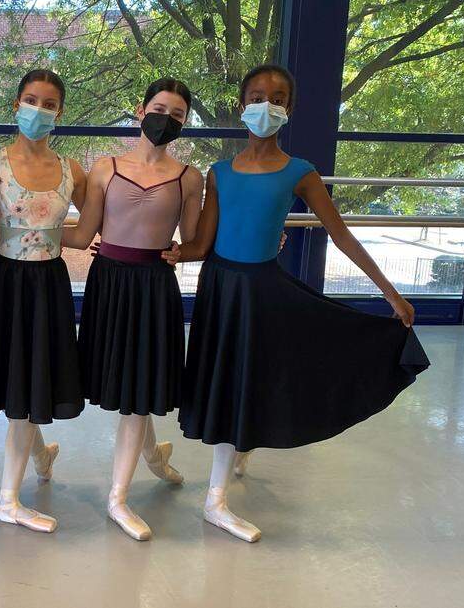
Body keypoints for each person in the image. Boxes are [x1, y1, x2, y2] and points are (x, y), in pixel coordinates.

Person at [175, 64, 430, 542]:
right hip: (221, 291)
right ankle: (219, 489)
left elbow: (341, 235)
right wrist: (161, 252)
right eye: (257, 96)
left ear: (288, 108)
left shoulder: (300, 172)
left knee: (255, 374)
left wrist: (390, 292)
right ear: (241, 105)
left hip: (262, 290)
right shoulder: (219, 173)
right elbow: (202, 244)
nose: (266, 105)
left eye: (277, 98)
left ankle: (217, 497)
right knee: (229, 380)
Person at [59, 78, 204, 541]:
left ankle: (118, 498)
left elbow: (194, 242)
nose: (166, 119)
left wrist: (187, 252)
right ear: (141, 110)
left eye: (177, 114)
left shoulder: (189, 178)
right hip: (108, 283)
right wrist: (16, 229)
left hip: (153, 287)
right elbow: (83, 235)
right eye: (160, 108)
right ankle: (155, 456)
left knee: (139, 388)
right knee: (125, 384)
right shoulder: (105, 167)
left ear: (184, 123)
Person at [0, 69, 84, 533]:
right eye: (31, 100)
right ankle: (10, 497)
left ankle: (26, 473)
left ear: (60, 112)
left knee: (34, 374)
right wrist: (6, 233)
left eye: (49, 103)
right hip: (7, 282)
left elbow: (88, 229)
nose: (38, 110)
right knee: (17, 375)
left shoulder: (72, 170)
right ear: (16, 104)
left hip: (49, 285)